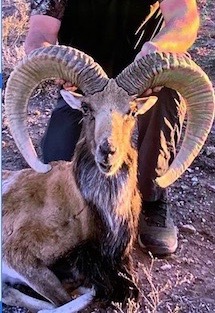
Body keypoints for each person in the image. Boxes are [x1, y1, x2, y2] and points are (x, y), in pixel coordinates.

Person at [25, 0, 200, 256]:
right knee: (57, 158)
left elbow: (184, 17)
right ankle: (77, 204)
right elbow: (40, 32)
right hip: (86, 83)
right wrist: (51, 60)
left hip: (140, 77)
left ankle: (151, 196)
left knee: (169, 89)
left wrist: (159, 48)